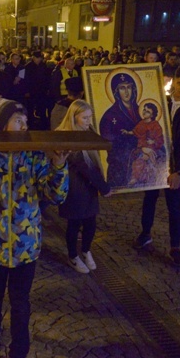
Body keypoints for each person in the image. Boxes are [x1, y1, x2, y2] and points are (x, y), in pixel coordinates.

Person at [0, 98, 69, 358]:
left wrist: (58, 167)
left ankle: (19, 352)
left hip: (25, 244)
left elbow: (55, 196)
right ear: (3, 124)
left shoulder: (34, 155)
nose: (25, 126)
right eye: (19, 121)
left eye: (26, 122)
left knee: (21, 301)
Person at [134, 66, 180, 267]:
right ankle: (145, 233)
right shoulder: (165, 101)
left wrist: (179, 170)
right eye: (179, 83)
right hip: (155, 161)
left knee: (174, 206)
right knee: (149, 199)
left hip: (174, 166)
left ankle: (175, 246)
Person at [56, 100, 111, 273]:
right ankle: (73, 256)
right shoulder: (67, 137)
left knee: (90, 222)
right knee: (75, 222)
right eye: (85, 117)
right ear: (74, 117)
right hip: (75, 187)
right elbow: (83, 166)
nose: (89, 121)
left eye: (90, 117)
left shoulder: (88, 132)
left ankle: (86, 250)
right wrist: (104, 187)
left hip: (88, 187)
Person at [99, 73, 141, 188]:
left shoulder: (143, 111)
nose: (126, 92)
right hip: (120, 166)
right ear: (116, 91)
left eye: (129, 87)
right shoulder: (109, 116)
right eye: (122, 88)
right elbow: (108, 142)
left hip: (141, 164)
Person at [122, 103, 166, 187]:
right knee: (139, 160)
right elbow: (135, 132)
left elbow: (160, 139)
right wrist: (127, 132)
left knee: (148, 160)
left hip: (153, 148)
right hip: (141, 147)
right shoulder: (141, 123)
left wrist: (153, 141)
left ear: (152, 115)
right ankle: (135, 177)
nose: (145, 112)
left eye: (148, 112)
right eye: (144, 110)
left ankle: (150, 179)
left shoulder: (156, 125)